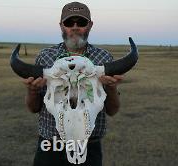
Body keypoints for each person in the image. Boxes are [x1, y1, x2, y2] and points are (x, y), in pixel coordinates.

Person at [22, 2, 123, 166]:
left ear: (90, 25)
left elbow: (112, 110)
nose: (75, 27)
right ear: (61, 26)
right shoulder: (45, 57)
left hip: (90, 147)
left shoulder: (104, 59)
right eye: (69, 23)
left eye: (81, 23)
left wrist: (111, 89)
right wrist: (32, 91)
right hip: (50, 146)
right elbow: (33, 108)